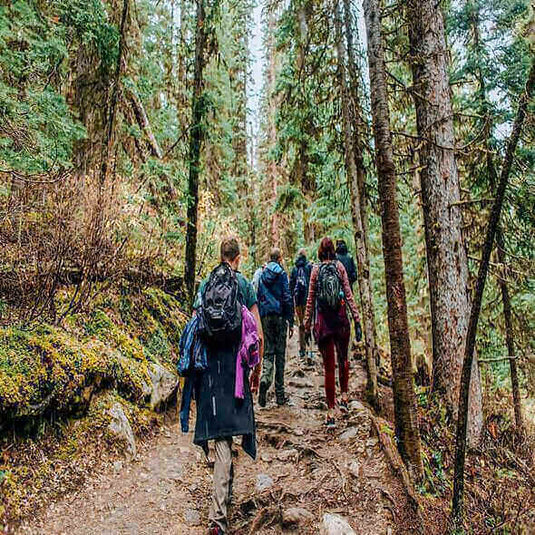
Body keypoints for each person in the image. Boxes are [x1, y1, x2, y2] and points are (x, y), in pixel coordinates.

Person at [191, 236, 264, 535]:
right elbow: (257, 333)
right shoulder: (244, 286)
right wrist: (256, 371)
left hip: (211, 373)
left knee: (222, 439)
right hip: (235, 372)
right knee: (226, 443)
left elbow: (194, 326)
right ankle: (217, 520)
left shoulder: (205, 286)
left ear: (221, 256)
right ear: (238, 258)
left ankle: (224, 505)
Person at [304, 237, 362, 428]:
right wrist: (357, 319)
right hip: (341, 320)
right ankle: (344, 397)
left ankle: (330, 412)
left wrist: (306, 324)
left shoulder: (315, 270)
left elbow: (310, 300)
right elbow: (348, 293)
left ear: (320, 251)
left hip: (324, 323)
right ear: (333, 251)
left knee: (329, 367)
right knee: (344, 358)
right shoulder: (339, 267)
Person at [257, 248, 294, 407]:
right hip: (279, 317)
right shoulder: (282, 274)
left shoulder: (262, 274)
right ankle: (280, 395)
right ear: (279, 258)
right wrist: (290, 320)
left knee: (268, 352)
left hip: (265, 317)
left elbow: (258, 296)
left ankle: (265, 379)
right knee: (280, 355)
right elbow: (287, 296)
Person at [290, 248, 313, 360]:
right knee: (309, 323)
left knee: (301, 324)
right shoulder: (309, 267)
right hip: (308, 299)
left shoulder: (294, 269)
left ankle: (302, 350)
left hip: (298, 300)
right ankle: (310, 349)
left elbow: (291, 286)